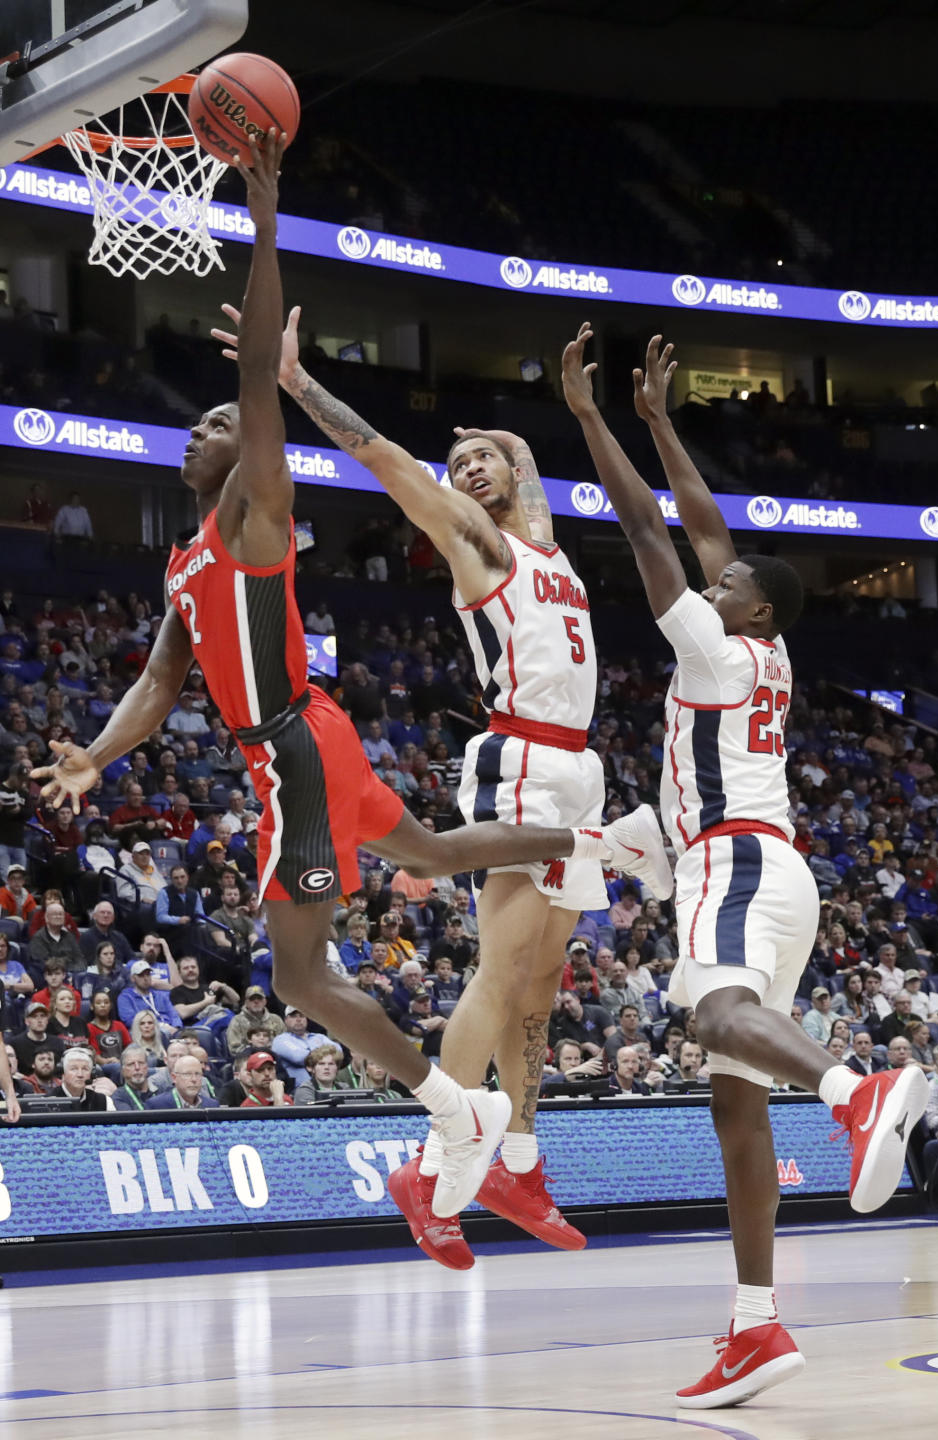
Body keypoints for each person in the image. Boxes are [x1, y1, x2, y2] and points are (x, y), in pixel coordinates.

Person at [35, 138, 651, 1226]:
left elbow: (259, 397)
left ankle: (448, 1111)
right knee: (428, 852)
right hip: (322, 736)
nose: (205, 427)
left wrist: (265, 232)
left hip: (291, 745)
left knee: (299, 980)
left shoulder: (252, 511)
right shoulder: (181, 563)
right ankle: (602, 847)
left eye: (220, 421)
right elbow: (159, 679)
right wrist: (96, 752)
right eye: (207, 422)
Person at [214, 278, 671, 1267]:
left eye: (487, 458)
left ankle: (519, 1151)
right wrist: (299, 384)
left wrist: (550, 425)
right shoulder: (472, 539)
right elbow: (385, 460)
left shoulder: (542, 542)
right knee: (501, 969)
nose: (472, 466)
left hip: (576, 767)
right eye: (459, 463)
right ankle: (429, 1168)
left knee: (543, 979)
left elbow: (533, 480)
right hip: (519, 760)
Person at [560, 324, 929, 1408]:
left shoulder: (720, 650)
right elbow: (712, 533)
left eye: (727, 588)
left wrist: (591, 419)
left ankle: (856, 1096)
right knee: (733, 1108)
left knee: (714, 1017)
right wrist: (667, 425)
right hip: (771, 874)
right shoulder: (762, 641)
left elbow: (649, 532)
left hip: (738, 870)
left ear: (753, 609)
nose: (708, 588)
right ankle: (758, 1324)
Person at [146, 1053, 220, 1110]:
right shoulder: (157, 1105)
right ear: (174, 1078)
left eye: (197, 1074)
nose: (194, 1079)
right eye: (187, 1074)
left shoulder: (212, 1105)